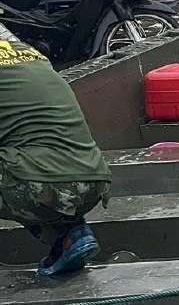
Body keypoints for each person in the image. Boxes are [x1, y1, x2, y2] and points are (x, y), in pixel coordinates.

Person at [0, 27, 111, 276]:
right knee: (23, 158)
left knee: (23, 167)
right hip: (93, 179)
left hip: (42, 186)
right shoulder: (28, 53)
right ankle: (70, 236)